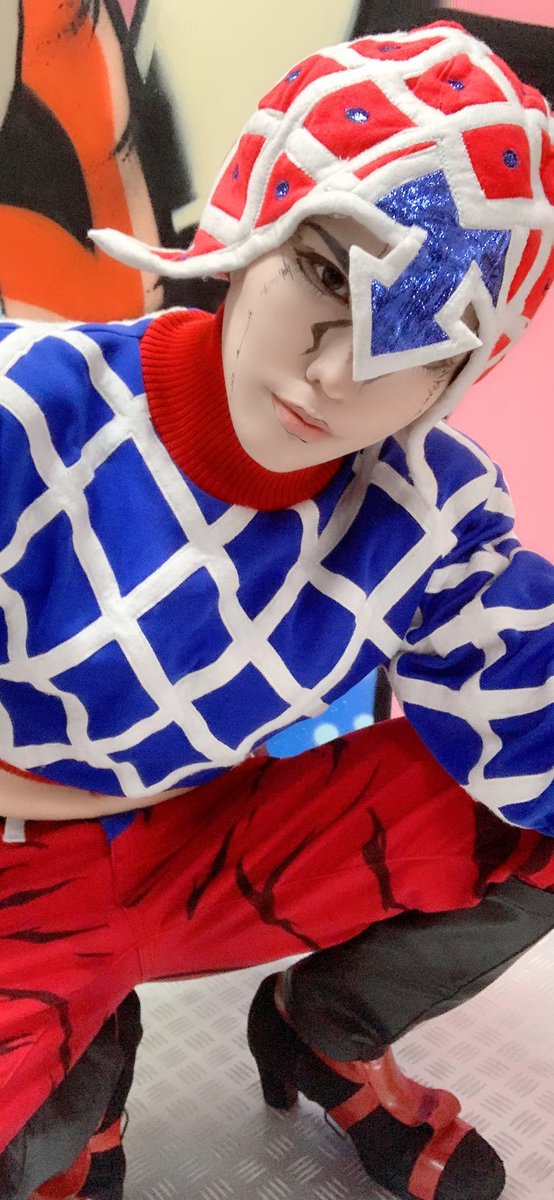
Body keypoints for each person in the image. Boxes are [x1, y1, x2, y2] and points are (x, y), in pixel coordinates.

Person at [0, 18, 553, 1200]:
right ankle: (74, 1081)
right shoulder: (24, 411)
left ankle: (326, 1029)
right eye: (327, 272)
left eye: (422, 337)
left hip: (209, 842)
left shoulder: (428, 516)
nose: (338, 373)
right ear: (251, 221)